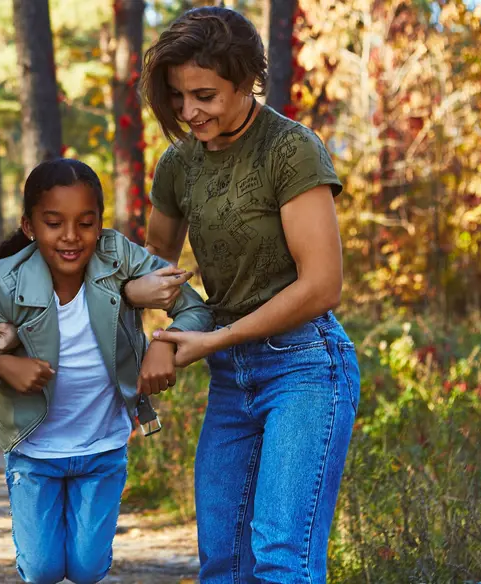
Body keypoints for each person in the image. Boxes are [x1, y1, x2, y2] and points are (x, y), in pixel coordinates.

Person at [137, 7, 362, 583]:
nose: (189, 111)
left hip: (305, 368)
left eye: (205, 95)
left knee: (282, 559)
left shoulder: (290, 150)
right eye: (177, 96)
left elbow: (322, 286)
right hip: (231, 376)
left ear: (246, 81)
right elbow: (156, 269)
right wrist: (160, 335)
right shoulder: (178, 164)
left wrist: (217, 335)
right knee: (223, 563)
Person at [0, 158, 213, 584]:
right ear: (30, 226)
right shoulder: (9, 281)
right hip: (34, 449)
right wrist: (5, 365)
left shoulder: (118, 256)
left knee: (88, 568)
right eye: (54, 223)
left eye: (86, 223)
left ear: (101, 224)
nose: (71, 237)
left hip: (102, 446)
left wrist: (164, 345)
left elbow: (193, 308)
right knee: (41, 570)